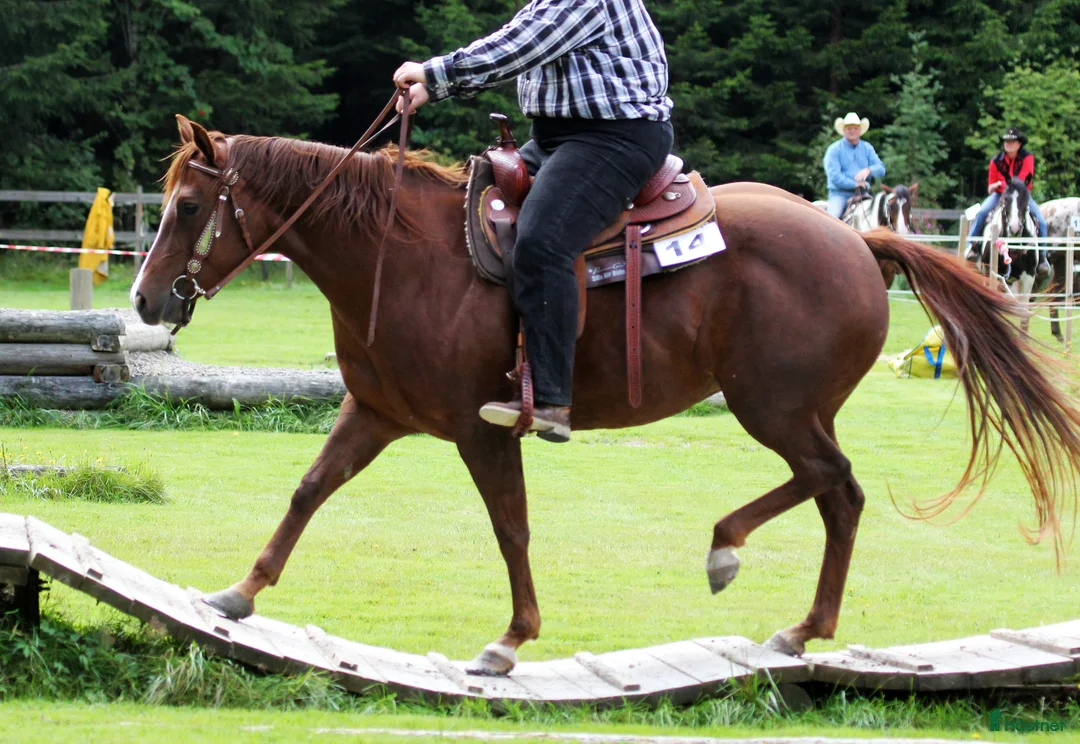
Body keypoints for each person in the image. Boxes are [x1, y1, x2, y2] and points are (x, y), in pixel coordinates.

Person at [393, 0, 674, 443]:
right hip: (556, 137)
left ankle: (551, 399)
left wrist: (436, 74)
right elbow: (521, 37)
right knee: (468, 206)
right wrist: (437, 86)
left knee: (543, 242)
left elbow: (521, 46)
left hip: (615, 136)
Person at [966, 127, 1049, 275]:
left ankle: (1042, 258)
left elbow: (1023, 181)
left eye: (1012, 141)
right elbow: (991, 187)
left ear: (1019, 144)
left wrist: (1001, 184)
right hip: (1000, 195)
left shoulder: (1027, 158)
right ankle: (971, 247)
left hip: (1021, 196)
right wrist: (999, 186)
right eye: (1006, 141)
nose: (1009, 144)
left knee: (1041, 221)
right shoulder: (996, 161)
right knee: (982, 212)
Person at [822, 112, 886, 220]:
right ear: (844, 130)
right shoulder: (834, 149)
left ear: (860, 130)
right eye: (849, 128)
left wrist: (869, 169)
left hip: (864, 194)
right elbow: (834, 175)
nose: (852, 131)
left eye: (855, 128)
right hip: (840, 195)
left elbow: (881, 169)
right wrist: (855, 184)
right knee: (832, 219)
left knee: (882, 217)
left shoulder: (867, 148)